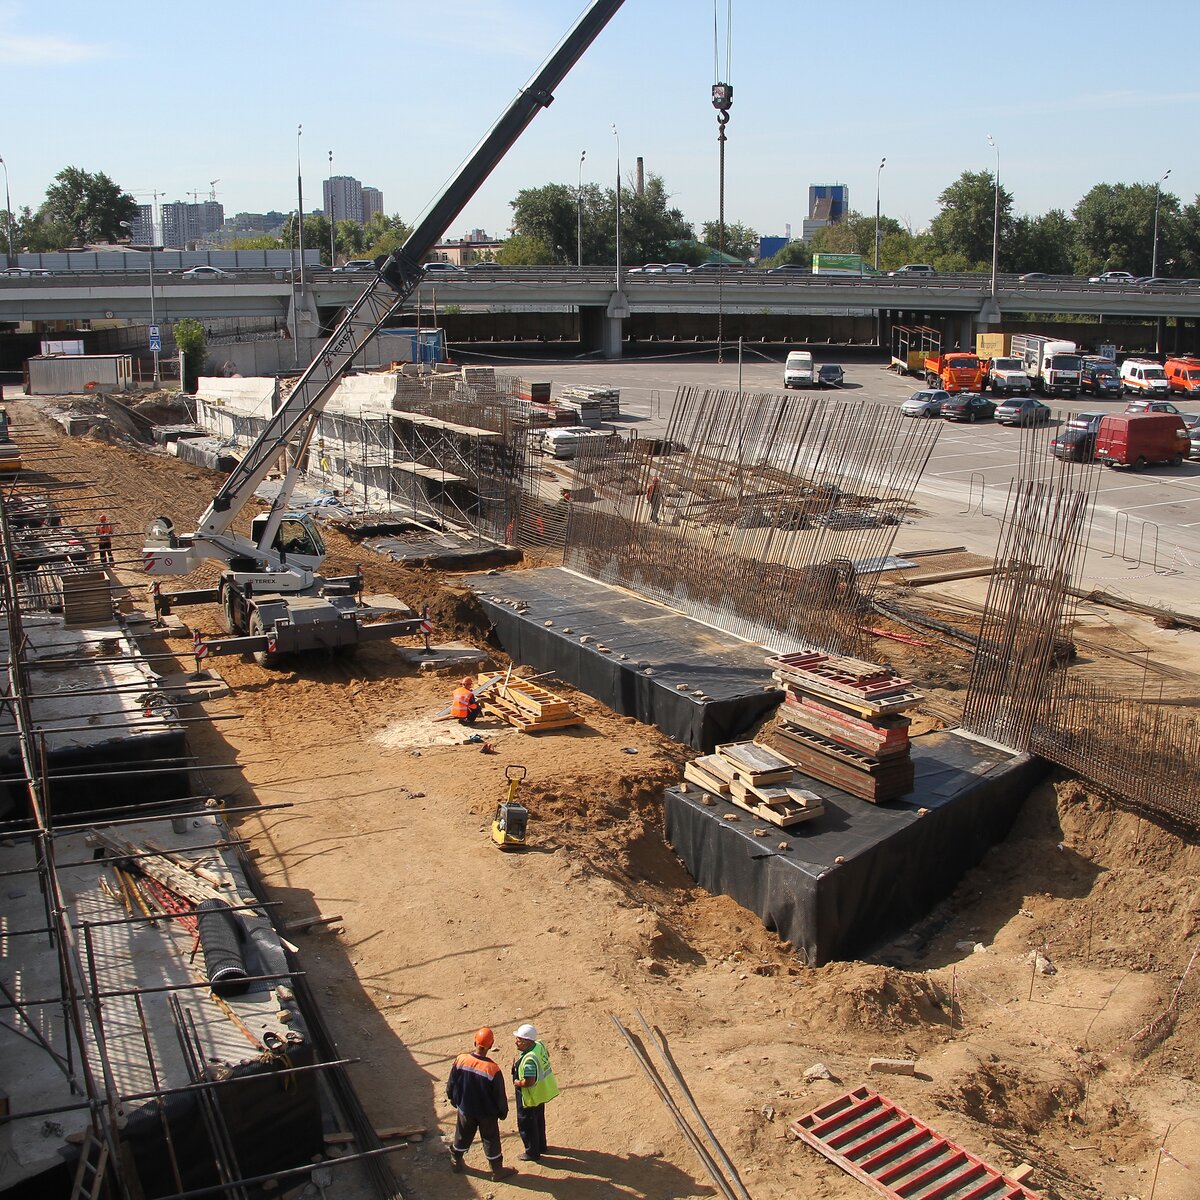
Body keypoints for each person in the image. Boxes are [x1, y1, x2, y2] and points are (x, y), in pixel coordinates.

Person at [446, 1027, 515, 1180]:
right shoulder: (492, 1069)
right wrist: (503, 1112)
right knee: (490, 1139)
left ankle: (456, 1160)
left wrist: (452, 1097)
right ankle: (497, 1170)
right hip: (487, 1114)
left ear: (475, 1041)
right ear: (491, 1046)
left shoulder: (461, 1060)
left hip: (465, 1109)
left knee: (462, 1134)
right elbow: (499, 1095)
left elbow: (452, 1082)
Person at [511, 1023, 559, 1162]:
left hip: (530, 1097)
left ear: (527, 1042)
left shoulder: (529, 1061)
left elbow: (529, 1082)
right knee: (538, 1120)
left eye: (519, 1039)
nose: (516, 1042)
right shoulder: (539, 1045)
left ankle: (532, 1152)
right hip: (541, 1093)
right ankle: (542, 1146)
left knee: (527, 1124)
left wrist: (517, 1083)